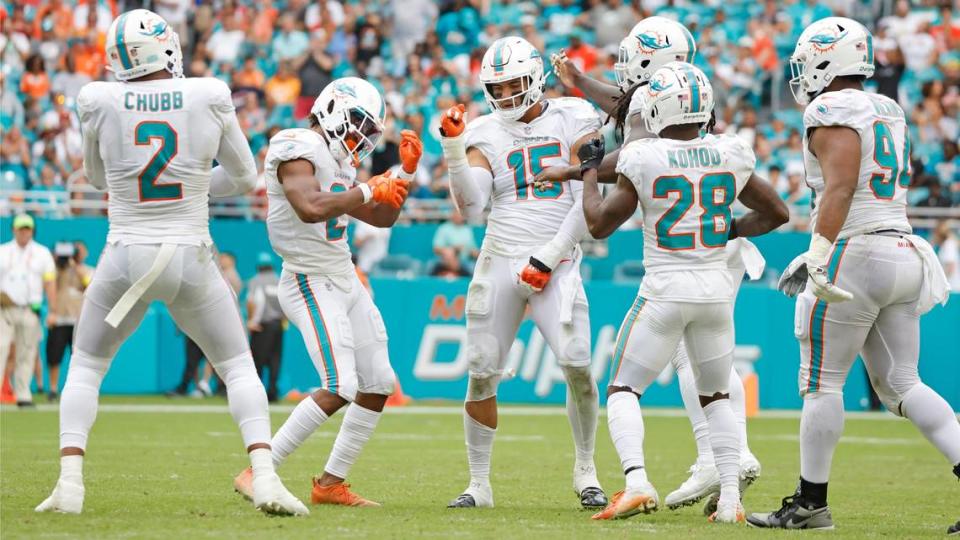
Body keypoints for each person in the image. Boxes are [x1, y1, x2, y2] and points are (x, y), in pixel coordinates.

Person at [34, 9, 306, 516]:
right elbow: (246, 178)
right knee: (238, 367)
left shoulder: (99, 99)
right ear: (164, 47)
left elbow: (95, 179)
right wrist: (195, 189)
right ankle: (265, 477)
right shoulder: (208, 94)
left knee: (87, 367)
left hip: (123, 254)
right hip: (191, 254)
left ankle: (70, 483)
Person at [749, 17, 959, 530]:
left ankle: (810, 503)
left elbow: (840, 186)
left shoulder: (830, 106)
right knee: (903, 383)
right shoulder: (887, 106)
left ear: (827, 58)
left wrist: (818, 251)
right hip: (904, 247)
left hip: (858, 251)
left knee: (822, 384)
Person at [550, 17, 766, 513]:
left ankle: (714, 458)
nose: (624, 68)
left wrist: (576, 169)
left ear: (653, 62)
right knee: (702, 364)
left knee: (659, 372)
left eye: (632, 57)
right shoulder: (689, 103)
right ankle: (725, 470)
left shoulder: (654, 131)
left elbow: (628, 155)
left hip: (680, 261)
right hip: (711, 247)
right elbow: (627, 105)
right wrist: (581, 83)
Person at [233, 77, 421, 508]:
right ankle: (257, 470)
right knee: (340, 384)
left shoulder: (341, 161)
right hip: (307, 277)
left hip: (343, 275)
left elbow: (383, 218)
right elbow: (310, 206)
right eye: (358, 122)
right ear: (333, 109)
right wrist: (370, 187)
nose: (362, 135)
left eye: (369, 129)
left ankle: (330, 483)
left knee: (378, 383)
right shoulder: (297, 144)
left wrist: (405, 174)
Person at [440, 36, 607, 510]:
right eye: (497, 86)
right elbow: (472, 206)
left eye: (514, 83)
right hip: (500, 255)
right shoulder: (484, 130)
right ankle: (478, 484)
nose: (507, 93)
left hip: (557, 256)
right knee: (480, 372)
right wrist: (454, 149)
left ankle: (586, 470)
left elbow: (586, 200)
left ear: (535, 77)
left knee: (577, 363)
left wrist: (549, 257)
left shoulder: (573, 115)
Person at [0, 214, 56, 408]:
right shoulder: (3, 251)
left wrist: (52, 310)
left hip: (30, 309)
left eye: (27, 229)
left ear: (32, 231)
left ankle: (23, 395)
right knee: (1, 349)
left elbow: (49, 282)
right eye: (20, 228)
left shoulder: (42, 253)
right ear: (13, 230)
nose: (24, 232)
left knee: (27, 352)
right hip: (4, 309)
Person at [45, 241, 92, 402]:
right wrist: (56, 261)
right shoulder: (57, 269)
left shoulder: (85, 270)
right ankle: (52, 389)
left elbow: (89, 285)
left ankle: (78, 390)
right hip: (59, 319)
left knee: (79, 358)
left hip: (78, 321)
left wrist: (74, 266)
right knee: (54, 356)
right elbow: (49, 283)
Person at [246, 252, 284, 402]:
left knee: (258, 360)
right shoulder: (278, 280)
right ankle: (273, 391)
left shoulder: (256, 281)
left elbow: (254, 301)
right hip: (278, 325)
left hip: (262, 325)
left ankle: (257, 393)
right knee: (275, 359)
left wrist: (252, 321)